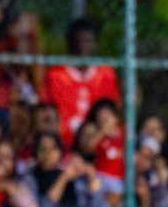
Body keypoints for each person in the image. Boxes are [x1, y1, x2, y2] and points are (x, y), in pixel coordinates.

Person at [43, 18, 119, 147]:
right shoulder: (56, 75)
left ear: (95, 44)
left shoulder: (106, 74)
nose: (83, 46)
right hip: (63, 143)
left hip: (99, 143)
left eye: (88, 41)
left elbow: (113, 111)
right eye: (78, 41)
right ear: (70, 44)